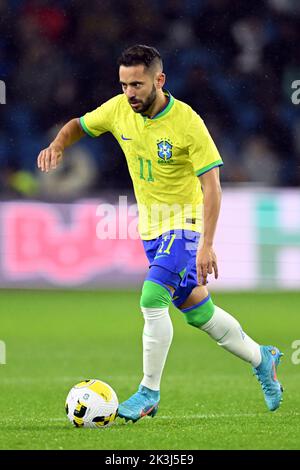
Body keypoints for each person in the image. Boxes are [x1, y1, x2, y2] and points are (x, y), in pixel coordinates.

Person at [37, 45, 283, 422]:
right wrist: (58, 144)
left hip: (183, 225)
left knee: (152, 297)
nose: (129, 93)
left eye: (137, 84)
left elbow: (212, 186)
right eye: (123, 85)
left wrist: (207, 244)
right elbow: (78, 126)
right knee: (200, 313)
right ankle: (262, 358)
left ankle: (148, 391)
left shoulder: (187, 122)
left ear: (159, 80)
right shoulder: (118, 109)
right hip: (151, 231)